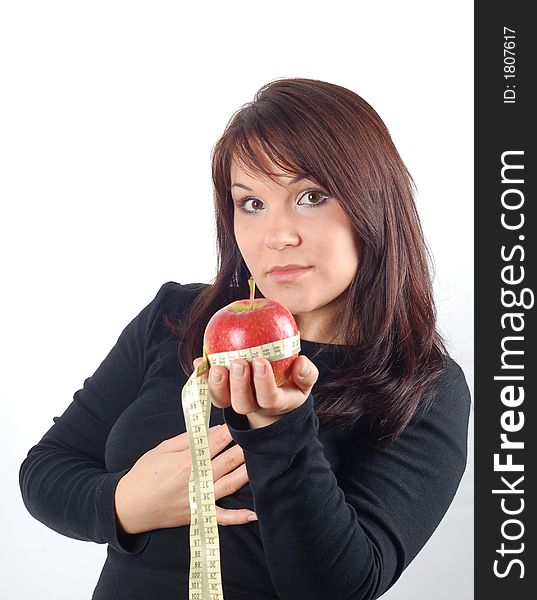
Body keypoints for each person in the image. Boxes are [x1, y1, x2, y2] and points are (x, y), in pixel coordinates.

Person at [19, 78, 471, 600]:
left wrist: (279, 428)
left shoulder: (421, 387)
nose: (277, 235)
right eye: (251, 203)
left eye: (311, 196)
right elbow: (47, 469)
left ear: (374, 204)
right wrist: (125, 503)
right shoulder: (178, 318)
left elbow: (342, 588)